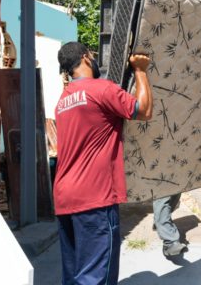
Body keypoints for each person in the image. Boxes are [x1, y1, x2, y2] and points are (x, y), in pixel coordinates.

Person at [54, 42, 152, 285]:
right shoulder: (100, 89)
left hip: (65, 197)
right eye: (94, 56)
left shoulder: (63, 101)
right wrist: (140, 70)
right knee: (96, 278)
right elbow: (144, 110)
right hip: (93, 197)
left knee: (75, 275)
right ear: (86, 58)